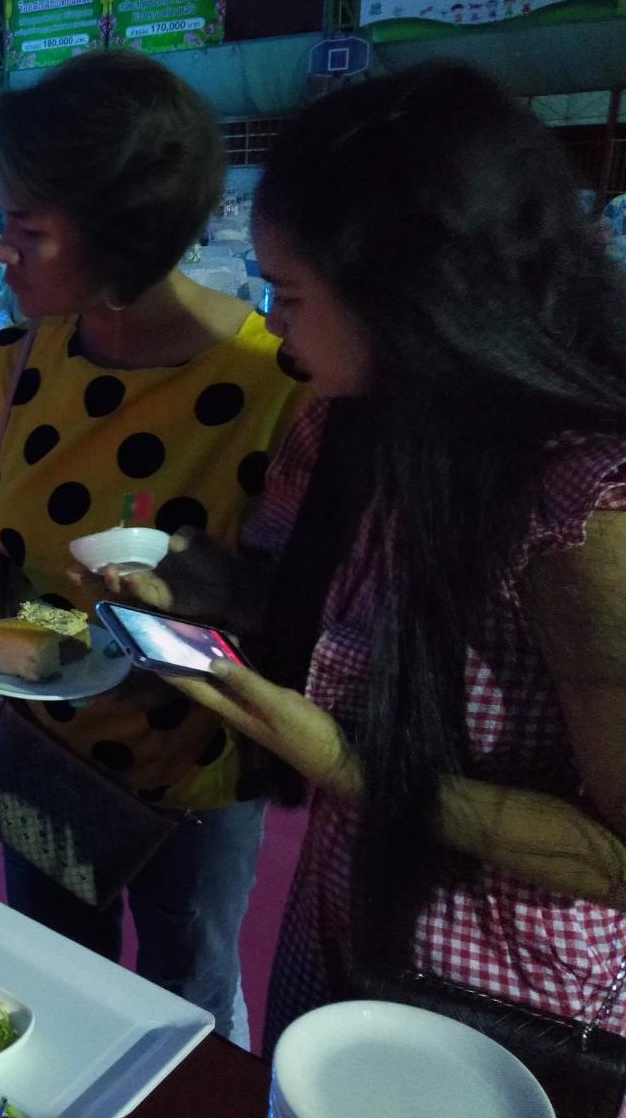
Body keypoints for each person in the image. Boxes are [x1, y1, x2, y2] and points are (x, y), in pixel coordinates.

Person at [124, 63, 626, 1086]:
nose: (273, 326)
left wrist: (355, 768)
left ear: (409, 299)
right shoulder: (350, 428)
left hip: (499, 1008)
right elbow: (340, 627)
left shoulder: (580, 514)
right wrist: (224, 596)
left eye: (291, 295)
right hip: (341, 925)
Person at [0, 51, 305, 1047]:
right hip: (43, 742)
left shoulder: (273, 388)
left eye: (28, 228)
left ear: (125, 232)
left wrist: (221, 594)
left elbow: (308, 606)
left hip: (195, 774)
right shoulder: (14, 363)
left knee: (186, 1003)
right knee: (54, 987)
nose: (1, 252)